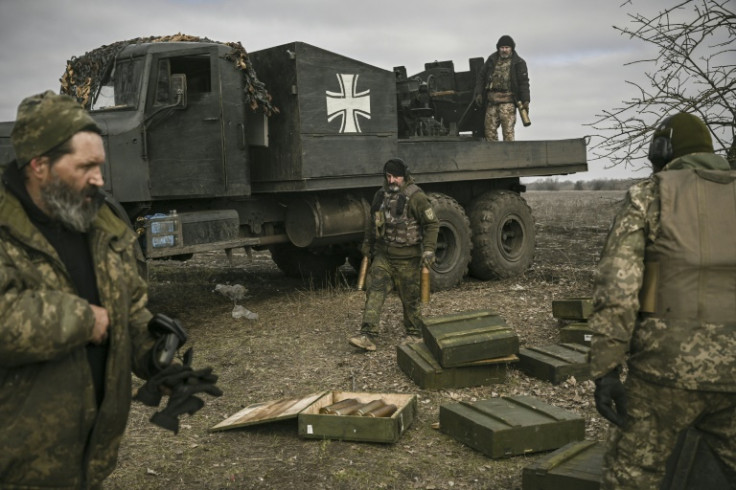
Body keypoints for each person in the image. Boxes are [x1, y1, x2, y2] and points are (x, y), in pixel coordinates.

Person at [0, 91, 221, 488]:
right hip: (17, 466)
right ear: (39, 165)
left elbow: (129, 308)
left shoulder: (99, 220)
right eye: (86, 166)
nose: (99, 179)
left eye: (100, 165)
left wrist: (156, 357)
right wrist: (83, 320)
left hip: (89, 459)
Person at [587, 112, 736, 489]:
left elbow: (618, 290)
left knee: (632, 476)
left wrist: (605, 372)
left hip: (663, 372)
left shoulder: (650, 195)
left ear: (662, 152)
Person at [348, 158, 439, 351]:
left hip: (409, 259)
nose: (392, 180)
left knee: (410, 299)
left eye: (396, 176)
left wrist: (429, 249)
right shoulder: (380, 196)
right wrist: (368, 244)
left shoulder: (417, 197)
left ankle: (414, 334)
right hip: (384, 256)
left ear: (404, 177)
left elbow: (431, 224)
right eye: (388, 176)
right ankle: (367, 335)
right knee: (375, 290)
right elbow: (372, 223)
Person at [473, 35, 530, 142]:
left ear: (512, 48)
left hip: (508, 101)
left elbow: (524, 83)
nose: (504, 50)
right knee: (489, 132)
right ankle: (493, 156)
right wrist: (479, 93)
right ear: (498, 48)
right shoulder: (492, 59)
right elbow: (481, 77)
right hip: (492, 101)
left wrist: (526, 100)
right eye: (502, 47)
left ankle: (509, 156)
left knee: (508, 132)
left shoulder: (519, 63)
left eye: (507, 47)